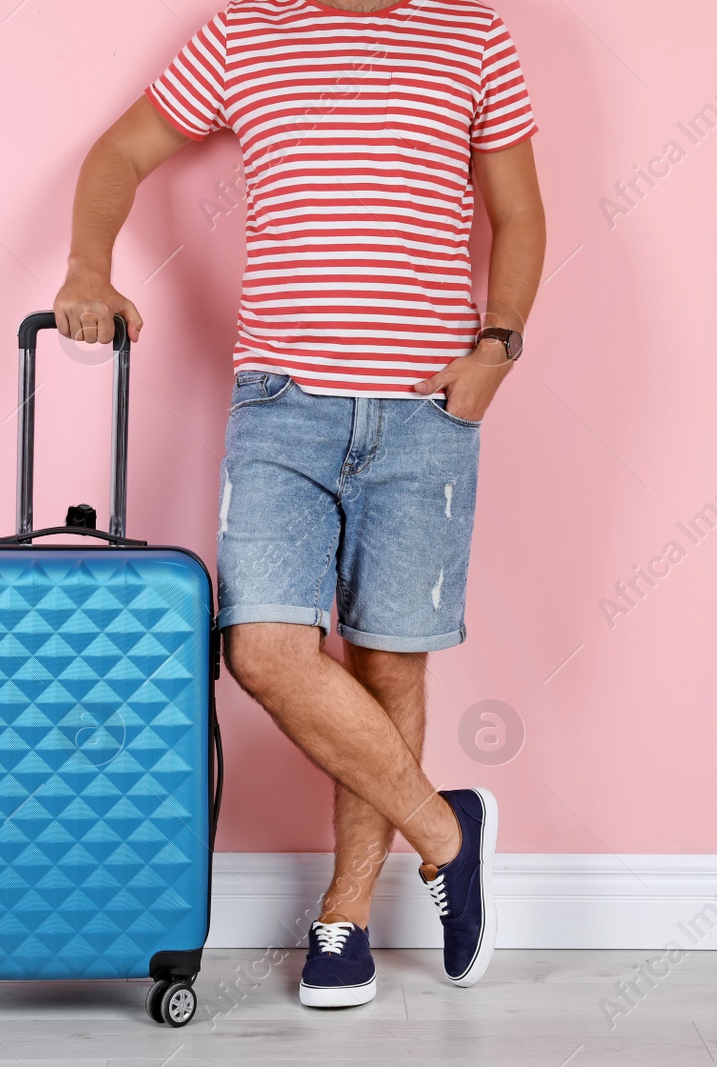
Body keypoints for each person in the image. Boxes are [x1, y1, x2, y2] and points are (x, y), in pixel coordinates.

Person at [52, 0, 545, 1007]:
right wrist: (86, 267)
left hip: (425, 412)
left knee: (385, 656)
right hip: (281, 407)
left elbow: (521, 211)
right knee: (264, 649)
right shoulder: (243, 33)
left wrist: (498, 343)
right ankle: (448, 832)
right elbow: (117, 154)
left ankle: (345, 918)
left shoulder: (474, 36)